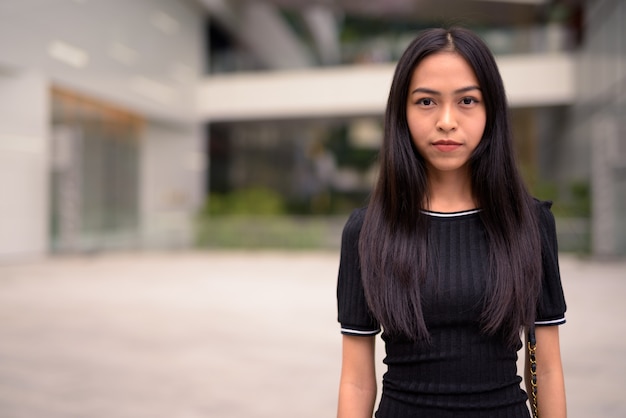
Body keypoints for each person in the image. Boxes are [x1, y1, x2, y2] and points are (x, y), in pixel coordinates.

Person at [336, 27, 567, 418]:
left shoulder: (529, 223)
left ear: (491, 110)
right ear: (401, 112)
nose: (446, 121)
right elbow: (356, 380)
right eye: (426, 101)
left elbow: (545, 369)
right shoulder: (367, 231)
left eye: (467, 101)